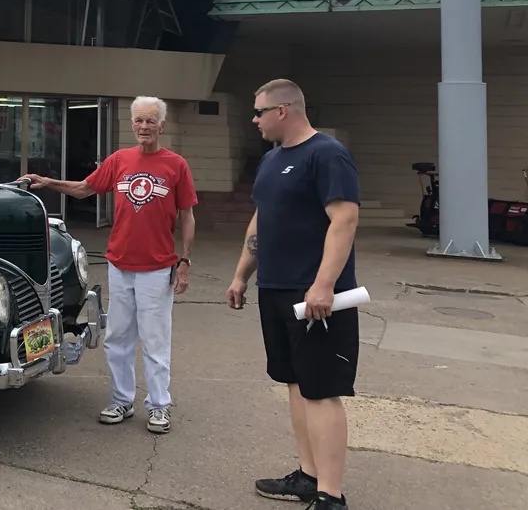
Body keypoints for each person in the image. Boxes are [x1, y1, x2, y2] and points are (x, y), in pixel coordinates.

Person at [24, 96, 196, 434]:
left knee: (155, 339)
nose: (144, 127)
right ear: (132, 125)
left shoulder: (176, 165)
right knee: (118, 336)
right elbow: (86, 188)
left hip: (157, 268)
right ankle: (121, 400)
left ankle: (159, 406)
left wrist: (185, 260)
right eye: (139, 121)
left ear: (161, 126)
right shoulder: (119, 160)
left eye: (150, 121)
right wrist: (48, 183)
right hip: (120, 265)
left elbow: (188, 215)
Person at [226, 79, 361, 509]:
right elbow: (262, 220)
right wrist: (241, 275)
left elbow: (344, 219)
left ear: (283, 110)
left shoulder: (327, 154)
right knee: (295, 384)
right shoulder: (271, 161)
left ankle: (331, 496)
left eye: (259, 112)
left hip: (316, 298)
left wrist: (323, 284)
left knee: (321, 390)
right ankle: (308, 475)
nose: (255, 120)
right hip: (276, 290)